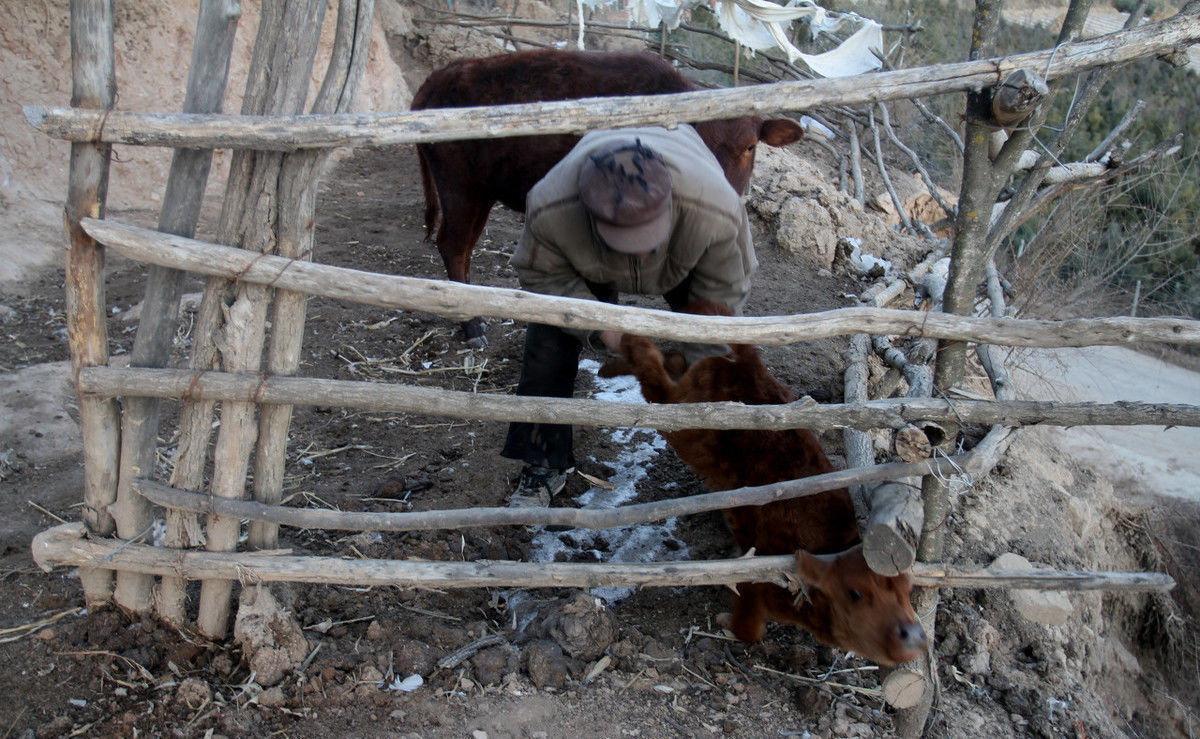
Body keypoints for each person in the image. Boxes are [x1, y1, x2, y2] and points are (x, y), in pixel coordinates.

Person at [502, 125, 757, 507]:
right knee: (546, 343)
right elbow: (542, 277)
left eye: (647, 235)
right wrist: (607, 331)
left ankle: (725, 450)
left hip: (684, 255)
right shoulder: (552, 208)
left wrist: (698, 384)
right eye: (627, 238)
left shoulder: (715, 208)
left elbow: (723, 296)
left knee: (716, 358)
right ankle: (543, 461)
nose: (639, 253)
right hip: (589, 262)